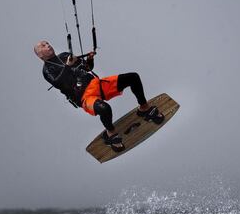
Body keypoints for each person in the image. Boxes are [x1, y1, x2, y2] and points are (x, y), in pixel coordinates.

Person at [34, 40, 164, 152]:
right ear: (40, 55)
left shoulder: (64, 55)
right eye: (43, 46)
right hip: (84, 97)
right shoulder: (47, 71)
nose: (47, 45)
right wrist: (68, 66)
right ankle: (111, 134)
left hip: (97, 84)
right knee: (104, 109)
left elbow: (87, 67)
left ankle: (144, 109)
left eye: (47, 43)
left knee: (133, 77)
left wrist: (90, 58)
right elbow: (59, 83)